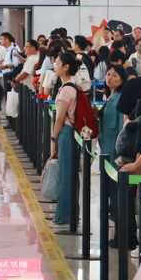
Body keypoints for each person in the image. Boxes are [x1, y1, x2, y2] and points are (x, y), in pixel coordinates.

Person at [50, 53, 83, 227]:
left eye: (57, 63)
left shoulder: (66, 90)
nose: (55, 65)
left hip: (66, 134)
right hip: (71, 134)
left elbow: (60, 119)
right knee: (69, 175)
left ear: (66, 67)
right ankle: (70, 214)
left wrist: (53, 140)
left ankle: (64, 216)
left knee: (66, 176)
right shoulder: (72, 86)